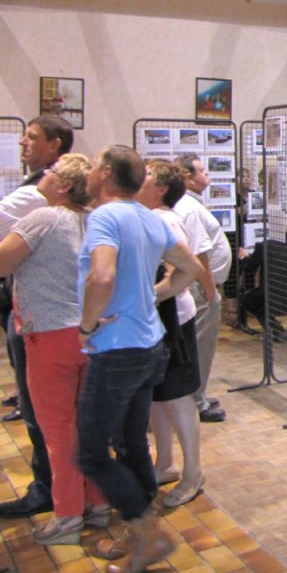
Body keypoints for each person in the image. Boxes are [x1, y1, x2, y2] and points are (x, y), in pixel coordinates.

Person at [76, 145, 204, 571]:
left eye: (94, 165)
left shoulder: (106, 217)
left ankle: (146, 532)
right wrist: (152, 296)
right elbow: (188, 269)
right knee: (130, 443)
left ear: (107, 173)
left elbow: (103, 275)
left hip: (117, 351)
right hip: (148, 345)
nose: (90, 171)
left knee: (92, 454)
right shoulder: (149, 219)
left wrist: (88, 325)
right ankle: (141, 534)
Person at [0, 153, 107, 545]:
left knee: (58, 431)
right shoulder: (94, 219)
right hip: (87, 334)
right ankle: (96, 502)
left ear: (63, 185)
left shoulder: (43, 218)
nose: (44, 175)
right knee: (84, 424)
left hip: (49, 336)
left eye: (52, 174)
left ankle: (66, 515)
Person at [0, 114, 73, 520]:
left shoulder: (43, 194)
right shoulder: (39, 192)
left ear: (55, 146)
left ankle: (49, 488)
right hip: (38, 314)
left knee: (42, 410)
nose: (23, 144)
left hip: (41, 319)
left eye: (32, 138)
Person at [136, 160, 216, 508]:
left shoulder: (165, 219)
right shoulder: (150, 217)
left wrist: (150, 295)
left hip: (171, 319)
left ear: (162, 189)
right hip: (158, 319)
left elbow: (185, 269)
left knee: (178, 395)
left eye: (148, 176)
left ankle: (193, 472)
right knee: (158, 394)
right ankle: (165, 462)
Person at [173, 153, 232, 423]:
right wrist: (210, 290)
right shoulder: (190, 207)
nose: (206, 175)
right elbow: (200, 254)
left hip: (196, 286)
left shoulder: (186, 204)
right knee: (200, 345)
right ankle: (197, 401)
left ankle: (196, 395)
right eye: (201, 170)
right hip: (200, 288)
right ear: (187, 176)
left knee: (195, 344)